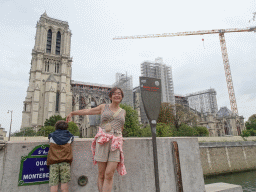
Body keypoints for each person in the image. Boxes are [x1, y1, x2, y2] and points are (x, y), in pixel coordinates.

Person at [66, 87, 127, 192]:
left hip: (116, 143)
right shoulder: (104, 107)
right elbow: (87, 111)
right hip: (102, 140)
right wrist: (73, 113)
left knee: (109, 174)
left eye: (119, 94)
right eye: (115, 93)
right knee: (101, 174)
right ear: (110, 96)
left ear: (121, 97)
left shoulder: (123, 111)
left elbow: (121, 126)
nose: (117, 95)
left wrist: (120, 137)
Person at [47, 120, 74, 192]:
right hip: (65, 163)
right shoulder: (70, 137)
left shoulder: (51, 136)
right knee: (64, 187)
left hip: (53, 163)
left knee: (53, 185)